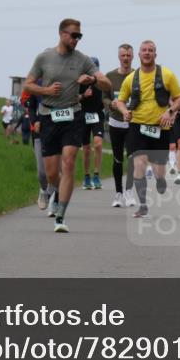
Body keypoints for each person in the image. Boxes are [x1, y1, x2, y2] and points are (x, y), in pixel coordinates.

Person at [24, 18, 110, 233]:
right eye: (73, 35)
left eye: (79, 36)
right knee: (52, 173)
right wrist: (46, 91)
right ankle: (54, 190)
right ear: (62, 34)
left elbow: (106, 83)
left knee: (69, 162)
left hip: (73, 115)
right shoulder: (44, 57)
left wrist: (91, 79)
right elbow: (28, 84)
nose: (76, 40)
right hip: (49, 117)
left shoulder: (83, 60)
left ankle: (61, 215)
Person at [111, 40, 180, 220]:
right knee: (139, 164)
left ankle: (160, 179)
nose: (147, 53)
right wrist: (124, 111)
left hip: (160, 127)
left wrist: (170, 111)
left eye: (150, 50)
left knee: (159, 170)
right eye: (144, 50)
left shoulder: (167, 75)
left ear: (155, 54)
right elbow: (120, 100)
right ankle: (143, 205)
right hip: (137, 127)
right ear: (140, 55)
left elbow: (179, 98)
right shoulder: (131, 78)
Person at [104, 44, 135, 208]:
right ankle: (118, 193)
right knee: (118, 159)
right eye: (123, 55)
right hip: (115, 122)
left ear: (132, 57)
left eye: (128, 55)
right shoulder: (110, 76)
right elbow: (104, 97)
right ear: (119, 57)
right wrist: (111, 105)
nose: (125, 58)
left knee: (132, 159)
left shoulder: (138, 76)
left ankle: (129, 192)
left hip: (132, 123)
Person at [79, 56, 105, 191]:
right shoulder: (80, 82)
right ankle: (86, 176)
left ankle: (96, 175)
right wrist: (83, 95)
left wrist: (108, 104)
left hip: (97, 116)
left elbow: (107, 98)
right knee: (87, 149)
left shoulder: (101, 83)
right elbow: (73, 99)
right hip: (83, 116)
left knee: (98, 144)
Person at [23, 89, 50, 211]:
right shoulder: (37, 85)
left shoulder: (63, 81)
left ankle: (56, 198)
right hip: (39, 132)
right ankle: (44, 190)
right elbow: (30, 106)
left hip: (60, 131)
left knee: (59, 170)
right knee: (42, 173)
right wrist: (35, 121)